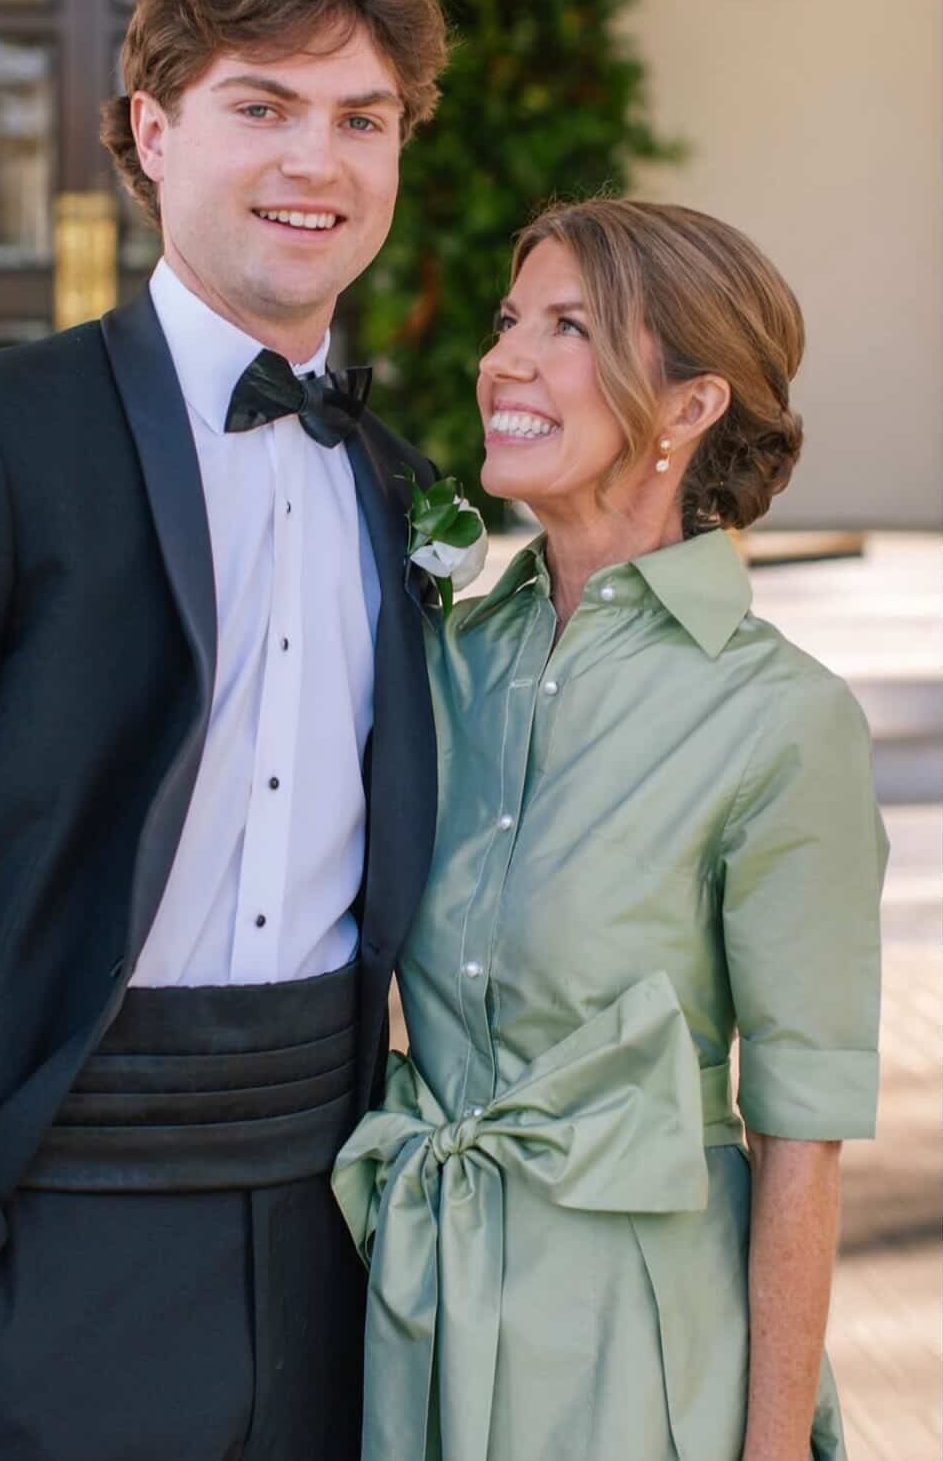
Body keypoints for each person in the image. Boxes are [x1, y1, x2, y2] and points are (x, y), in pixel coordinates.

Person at [0, 0, 447, 1460]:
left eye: (361, 119)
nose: (317, 161)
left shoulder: (397, 488)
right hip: (34, 1245)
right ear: (151, 130)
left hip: (331, 1245)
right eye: (262, 106)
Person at [334, 198, 886, 1461]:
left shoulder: (782, 719)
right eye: (508, 320)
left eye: (570, 328)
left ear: (692, 406)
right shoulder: (438, 666)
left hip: (641, 1359)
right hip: (415, 1319)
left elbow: (799, 1140)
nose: (503, 360)